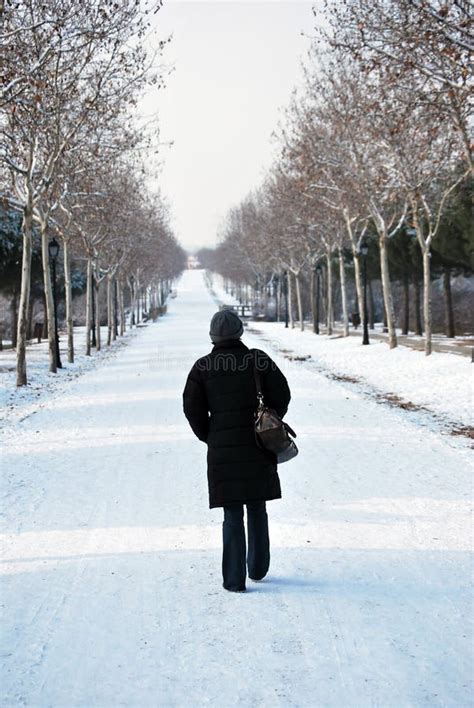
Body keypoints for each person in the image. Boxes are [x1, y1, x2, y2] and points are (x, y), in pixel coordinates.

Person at [182, 309, 291, 592]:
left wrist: (210, 436)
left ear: (213, 336)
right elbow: (282, 394)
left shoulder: (202, 367)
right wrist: (266, 420)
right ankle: (257, 567)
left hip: (222, 451)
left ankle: (233, 580)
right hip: (258, 444)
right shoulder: (258, 359)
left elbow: (192, 409)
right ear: (240, 332)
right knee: (257, 505)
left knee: (232, 513)